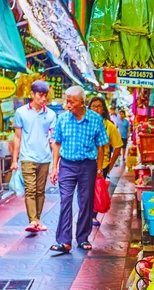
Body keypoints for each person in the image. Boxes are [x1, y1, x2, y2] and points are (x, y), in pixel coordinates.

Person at [50, 86, 109, 253]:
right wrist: (54, 167)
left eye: (71, 102)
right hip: (67, 165)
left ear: (82, 102)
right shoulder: (62, 119)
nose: (68, 105)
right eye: (67, 101)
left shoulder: (95, 120)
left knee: (85, 202)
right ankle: (64, 241)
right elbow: (57, 143)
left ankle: (82, 238)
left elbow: (101, 145)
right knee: (65, 200)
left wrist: (99, 168)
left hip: (87, 166)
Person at [12, 80, 57, 233]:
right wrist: (14, 160)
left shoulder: (51, 114)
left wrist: (56, 164)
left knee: (40, 190)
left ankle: (37, 219)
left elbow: (53, 140)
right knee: (30, 190)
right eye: (40, 95)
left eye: (45, 96)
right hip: (27, 157)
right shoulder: (21, 112)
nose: (43, 99)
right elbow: (17, 137)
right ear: (32, 94)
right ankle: (33, 220)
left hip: (45, 158)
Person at [89, 97, 123, 227]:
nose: (96, 109)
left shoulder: (109, 126)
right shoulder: (84, 124)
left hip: (101, 165)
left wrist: (110, 165)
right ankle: (86, 215)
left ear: (103, 110)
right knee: (86, 192)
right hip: (85, 164)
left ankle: (93, 216)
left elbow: (118, 146)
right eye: (94, 106)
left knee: (96, 191)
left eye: (99, 106)